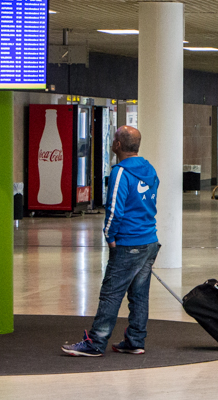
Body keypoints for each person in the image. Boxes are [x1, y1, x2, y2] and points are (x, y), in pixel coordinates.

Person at [62, 126, 160, 356]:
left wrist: (110, 237)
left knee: (111, 293)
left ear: (117, 145)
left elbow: (114, 209)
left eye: (114, 139)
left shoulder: (121, 172)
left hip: (128, 242)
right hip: (149, 239)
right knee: (139, 294)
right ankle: (136, 339)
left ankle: (96, 342)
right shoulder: (149, 169)